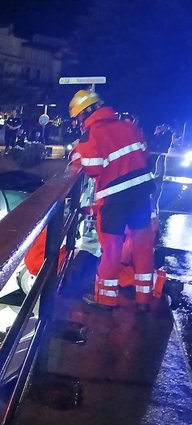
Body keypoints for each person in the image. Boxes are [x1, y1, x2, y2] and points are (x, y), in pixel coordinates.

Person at [69, 89, 156, 312]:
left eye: (79, 116)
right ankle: (144, 299)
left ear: (86, 112)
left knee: (111, 250)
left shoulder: (91, 136)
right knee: (142, 246)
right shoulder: (128, 125)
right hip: (141, 194)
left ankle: (106, 299)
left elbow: (93, 168)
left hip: (114, 200)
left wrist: (78, 151)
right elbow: (144, 155)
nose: (79, 121)